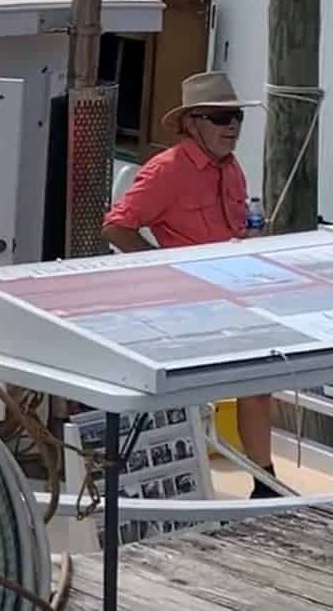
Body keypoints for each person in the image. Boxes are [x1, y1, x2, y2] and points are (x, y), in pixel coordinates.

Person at [101, 72, 280, 497]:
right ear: (192, 123)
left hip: (234, 300)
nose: (232, 127)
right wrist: (166, 268)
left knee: (258, 388)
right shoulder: (166, 170)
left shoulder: (232, 169)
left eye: (236, 117)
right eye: (220, 118)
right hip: (183, 308)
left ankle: (266, 482)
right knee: (194, 396)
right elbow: (115, 226)